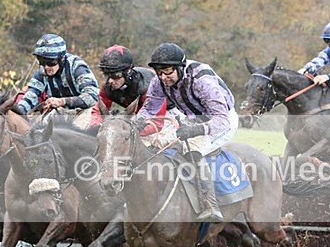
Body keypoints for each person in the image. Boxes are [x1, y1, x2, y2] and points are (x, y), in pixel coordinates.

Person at [136, 43, 237, 223]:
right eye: (159, 72)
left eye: (168, 72)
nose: (163, 77)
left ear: (180, 68)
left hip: (222, 120)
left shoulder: (202, 82)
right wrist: (137, 122)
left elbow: (222, 121)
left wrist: (196, 130)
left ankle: (210, 205)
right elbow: (149, 109)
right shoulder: (158, 82)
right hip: (191, 118)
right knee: (160, 146)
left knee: (193, 151)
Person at [13, 33, 100, 115]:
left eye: (50, 62)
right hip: (59, 114)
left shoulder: (76, 66)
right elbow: (31, 95)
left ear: (61, 58)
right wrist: (18, 110)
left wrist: (62, 101)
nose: (46, 67)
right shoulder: (42, 71)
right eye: (42, 61)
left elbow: (92, 97)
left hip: (83, 112)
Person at [88, 45, 165, 128]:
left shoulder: (149, 87)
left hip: (165, 112)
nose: (110, 80)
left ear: (128, 72)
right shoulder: (109, 84)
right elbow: (99, 109)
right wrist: (96, 126)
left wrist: (132, 129)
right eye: (107, 74)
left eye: (115, 75)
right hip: (139, 113)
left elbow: (157, 122)